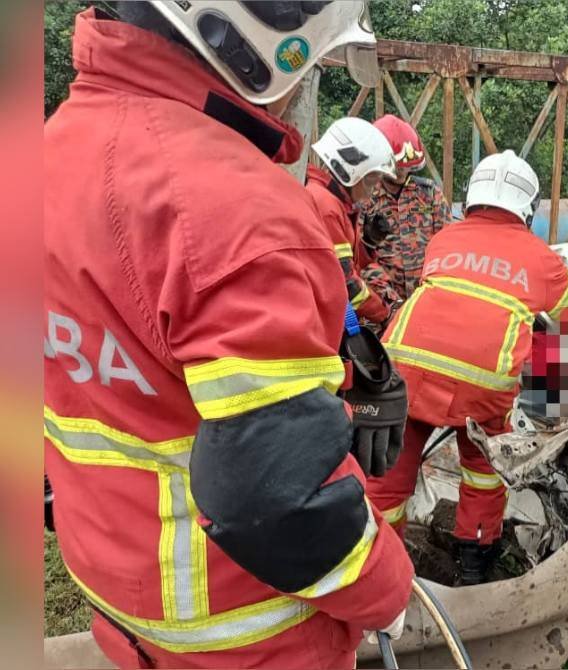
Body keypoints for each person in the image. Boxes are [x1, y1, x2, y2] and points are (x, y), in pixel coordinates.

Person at [43, 3, 412, 668]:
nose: (301, 90)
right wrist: (387, 588)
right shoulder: (235, 209)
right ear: (269, 37)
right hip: (247, 635)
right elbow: (276, 499)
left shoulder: (50, 149)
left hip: (118, 605)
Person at [367, 150, 568, 584]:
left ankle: (377, 571)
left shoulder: (443, 239)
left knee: (388, 476)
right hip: (480, 390)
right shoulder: (543, 260)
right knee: (483, 472)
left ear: (473, 197)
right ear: (528, 207)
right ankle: (473, 569)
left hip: (405, 374)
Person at [305, 117, 397, 327]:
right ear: (349, 170)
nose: (373, 188)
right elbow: (348, 286)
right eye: (371, 179)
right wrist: (386, 315)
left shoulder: (334, 202)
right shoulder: (327, 206)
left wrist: (368, 245)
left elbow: (346, 264)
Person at [359, 114, 455, 311]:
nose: (402, 172)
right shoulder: (364, 199)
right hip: (381, 307)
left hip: (427, 303)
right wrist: (392, 302)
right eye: (397, 167)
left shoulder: (429, 194)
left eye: (406, 167)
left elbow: (447, 248)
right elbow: (360, 259)